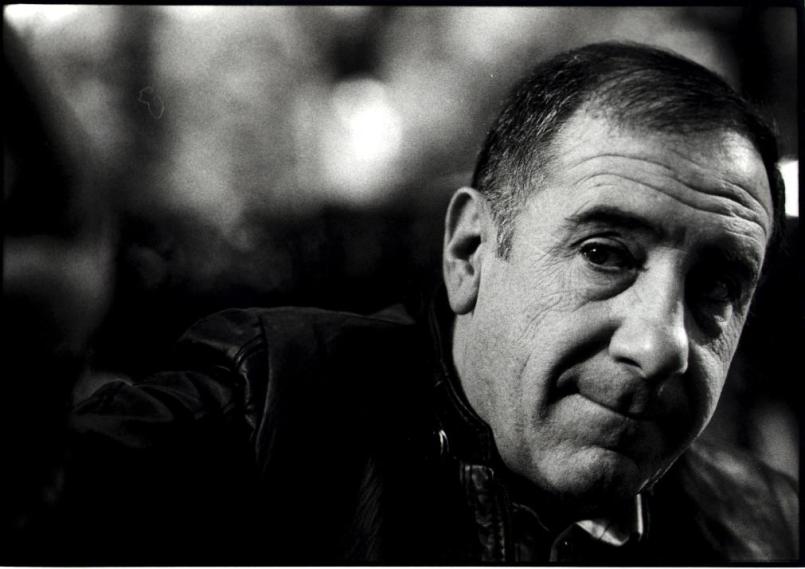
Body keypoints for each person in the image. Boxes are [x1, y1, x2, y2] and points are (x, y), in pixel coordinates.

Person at [8, 41, 798, 564]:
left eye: (716, 288)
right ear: (469, 254)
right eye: (605, 254)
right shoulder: (270, 407)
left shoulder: (766, 530)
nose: (659, 345)